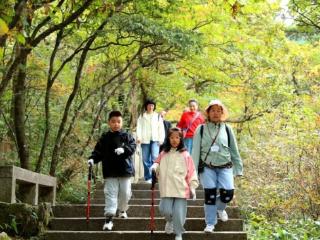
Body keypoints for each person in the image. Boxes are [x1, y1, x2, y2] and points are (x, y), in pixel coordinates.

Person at [191, 99, 243, 233]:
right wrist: (193, 173)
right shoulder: (201, 129)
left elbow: (234, 150)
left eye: (218, 110)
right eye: (213, 110)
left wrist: (238, 168)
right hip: (207, 167)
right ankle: (210, 223)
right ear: (208, 113)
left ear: (222, 113)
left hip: (225, 166)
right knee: (210, 195)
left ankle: (219, 208)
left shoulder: (227, 128)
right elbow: (195, 152)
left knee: (228, 194)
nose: (216, 113)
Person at [87, 111, 136, 231]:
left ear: (122, 122)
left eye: (118, 122)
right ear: (109, 122)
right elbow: (98, 151)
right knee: (110, 195)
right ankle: (108, 219)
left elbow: (133, 147)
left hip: (125, 170)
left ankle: (123, 209)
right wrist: (93, 159)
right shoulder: (104, 137)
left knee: (125, 193)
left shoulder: (127, 135)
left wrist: (124, 149)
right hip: (110, 171)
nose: (116, 124)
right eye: (113, 122)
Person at [151, 127, 199, 240]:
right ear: (168, 139)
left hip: (181, 188)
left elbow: (192, 172)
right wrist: (154, 167)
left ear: (181, 139)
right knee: (165, 209)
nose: (174, 140)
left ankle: (178, 233)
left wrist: (193, 187)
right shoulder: (163, 153)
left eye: (177, 137)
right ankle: (169, 221)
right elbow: (157, 163)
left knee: (179, 212)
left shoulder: (186, 154)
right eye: (172, 137)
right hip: (166, 187)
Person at [136, 99, 165, 183]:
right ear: (146, 106)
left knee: (155, 158)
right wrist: (139, 137)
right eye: (149, 105)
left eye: (152, 105)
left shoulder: (158, 116)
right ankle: (148, 177)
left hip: (155, 140)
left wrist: (161, 139)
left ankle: (155, 177)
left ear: (154, 107)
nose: (150, 107)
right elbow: (139, 127)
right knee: (145, 159)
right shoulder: (142, 116)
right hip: (145, 140)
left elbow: (161, 128)